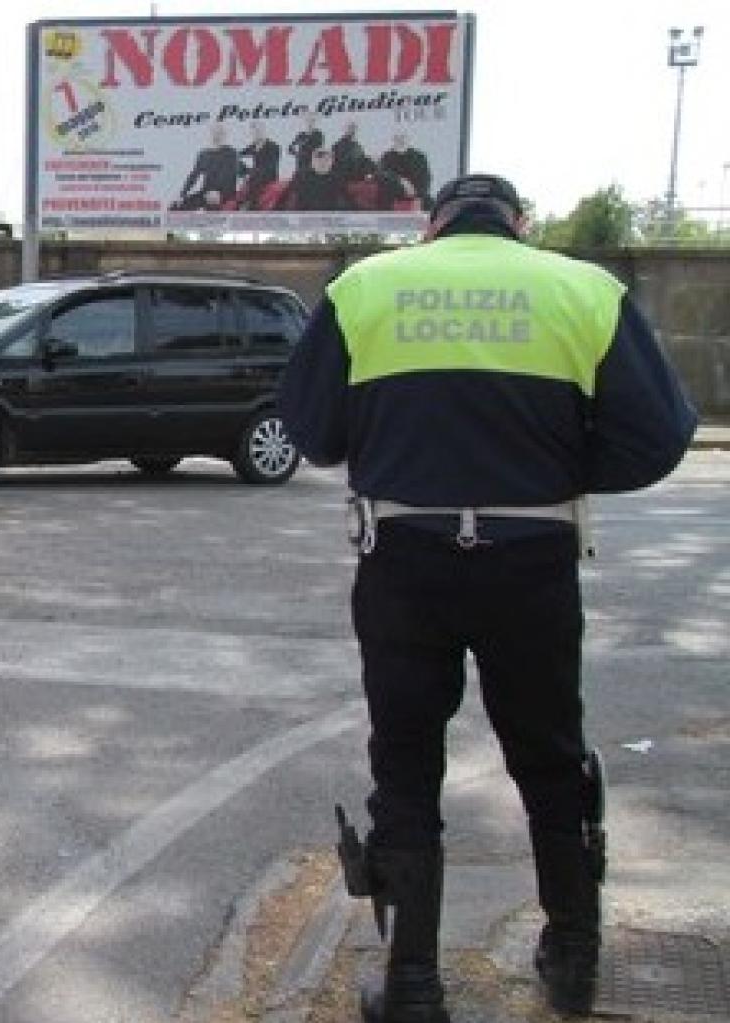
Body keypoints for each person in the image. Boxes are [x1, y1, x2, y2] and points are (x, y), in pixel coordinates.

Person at [279, 174, 697, 1022]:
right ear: (521, 223)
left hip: (402, 555)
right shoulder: (584, 288)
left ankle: (411, 985)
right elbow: (661, 436)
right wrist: (560, 473)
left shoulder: (367, 286)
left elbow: (313, 431)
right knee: (549, 755)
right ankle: (574, 963)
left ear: (431, 225)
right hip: (533, 557)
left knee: (406, 761)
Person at [172, 124, 240, 211]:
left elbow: (231, 178)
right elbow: (193, 176)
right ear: (211, 134)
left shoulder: (232, 153)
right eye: (215, 132)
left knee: (212, 207)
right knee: (175, 207)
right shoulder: (204, 154)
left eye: (220, 133)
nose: (217, 135)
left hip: (224, 195)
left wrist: (220, 194)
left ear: (225, 135)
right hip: (206, 192)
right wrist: (182, 194)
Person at [379, 133, 434, 210]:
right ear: (393, 140)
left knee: (430, 205)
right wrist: (402, 181)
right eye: (397, 137)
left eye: (403, 137)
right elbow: (383, 175)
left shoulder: (419, 157)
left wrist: (415, 192)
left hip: (417, 196)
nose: (401, 140)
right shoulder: (387, 157)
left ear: (408, 139)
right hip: (393, 197)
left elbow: (426, 178)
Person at [238, 121, 281, 209]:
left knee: (252, 184)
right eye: (254, 131)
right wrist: (245, 170)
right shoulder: (253, 146)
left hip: (268, 179)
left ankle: (251, 206)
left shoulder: (274, 147)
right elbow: (237, 156)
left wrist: (251, 172)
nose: (257, 133)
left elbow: (270, 167)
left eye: (259, 130)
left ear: (264, 131)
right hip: (254, 178)